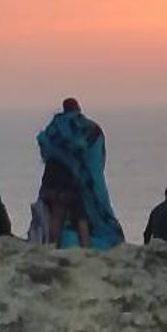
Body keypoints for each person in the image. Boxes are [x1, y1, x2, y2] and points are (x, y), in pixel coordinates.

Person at [37, 98, 124, 249]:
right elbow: (92, 154)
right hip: (71, 178)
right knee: (81, 215)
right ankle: (85, 248)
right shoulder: (86, 127)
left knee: (57, 214)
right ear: (78, 108)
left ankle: (52, 246)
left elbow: (45, 148)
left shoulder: (54, 127)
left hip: (51, 176)